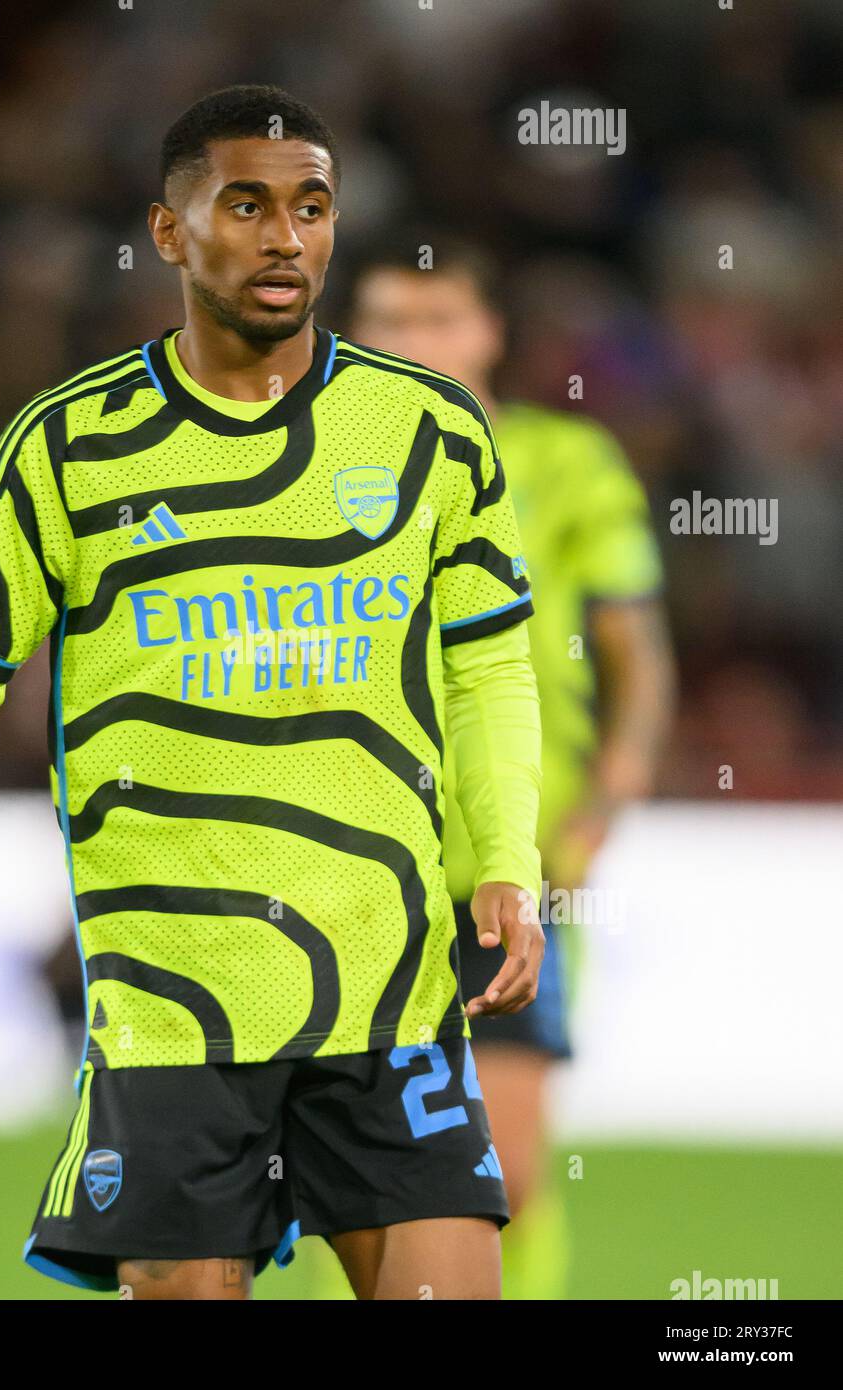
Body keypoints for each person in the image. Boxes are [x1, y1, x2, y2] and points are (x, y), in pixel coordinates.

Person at [0, 86, 544, 1301]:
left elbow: (487, 661)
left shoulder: (430, 432)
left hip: (385, 989)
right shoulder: (66, 446)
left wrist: (506, 856)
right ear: (170, 233)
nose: (286, 237)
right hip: (177, 1010)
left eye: (312, 207)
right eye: (246, 204)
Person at [349, 234, 676, 1297]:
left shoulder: (568, 464)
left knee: (510, 1169)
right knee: (358, 1171)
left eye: (439, 319)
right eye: (392, 323)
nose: (417, 343)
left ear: (490, 331)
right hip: (350, 864)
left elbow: (638, 658)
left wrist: (604, 806)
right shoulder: (308, 473)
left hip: (513, 862)